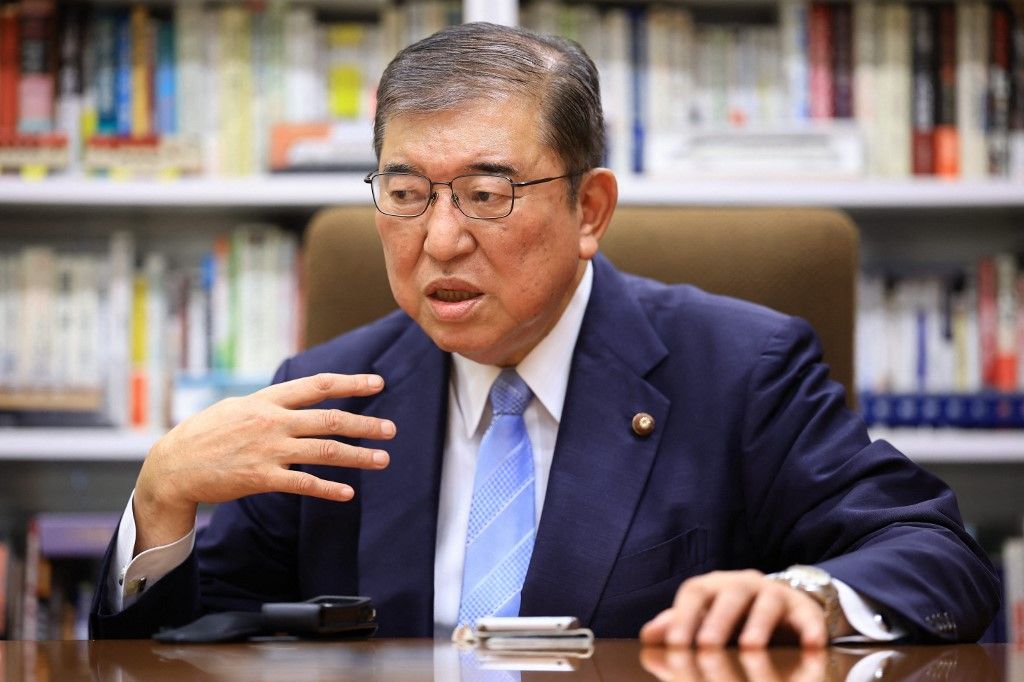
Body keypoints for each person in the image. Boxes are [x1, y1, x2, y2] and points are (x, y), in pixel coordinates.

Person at [90, 22, 998, 646]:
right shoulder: (333, 391)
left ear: (589, 207)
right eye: (405, 195)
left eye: (488, 195)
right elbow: (181, 649)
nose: (439, 239)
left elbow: (937, 560)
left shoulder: (742, 370)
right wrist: (160, 505)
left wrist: (802, 595)